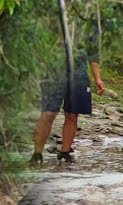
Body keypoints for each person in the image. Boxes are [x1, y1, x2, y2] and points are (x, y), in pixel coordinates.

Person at [31, 22, 106, 166]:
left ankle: (65, 153)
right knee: (48, 114)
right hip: (53, 73)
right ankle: (37, 155)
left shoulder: (90, 22)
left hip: (78, 75)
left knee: (72, 115)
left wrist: (98, 79)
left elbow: (94, 53)